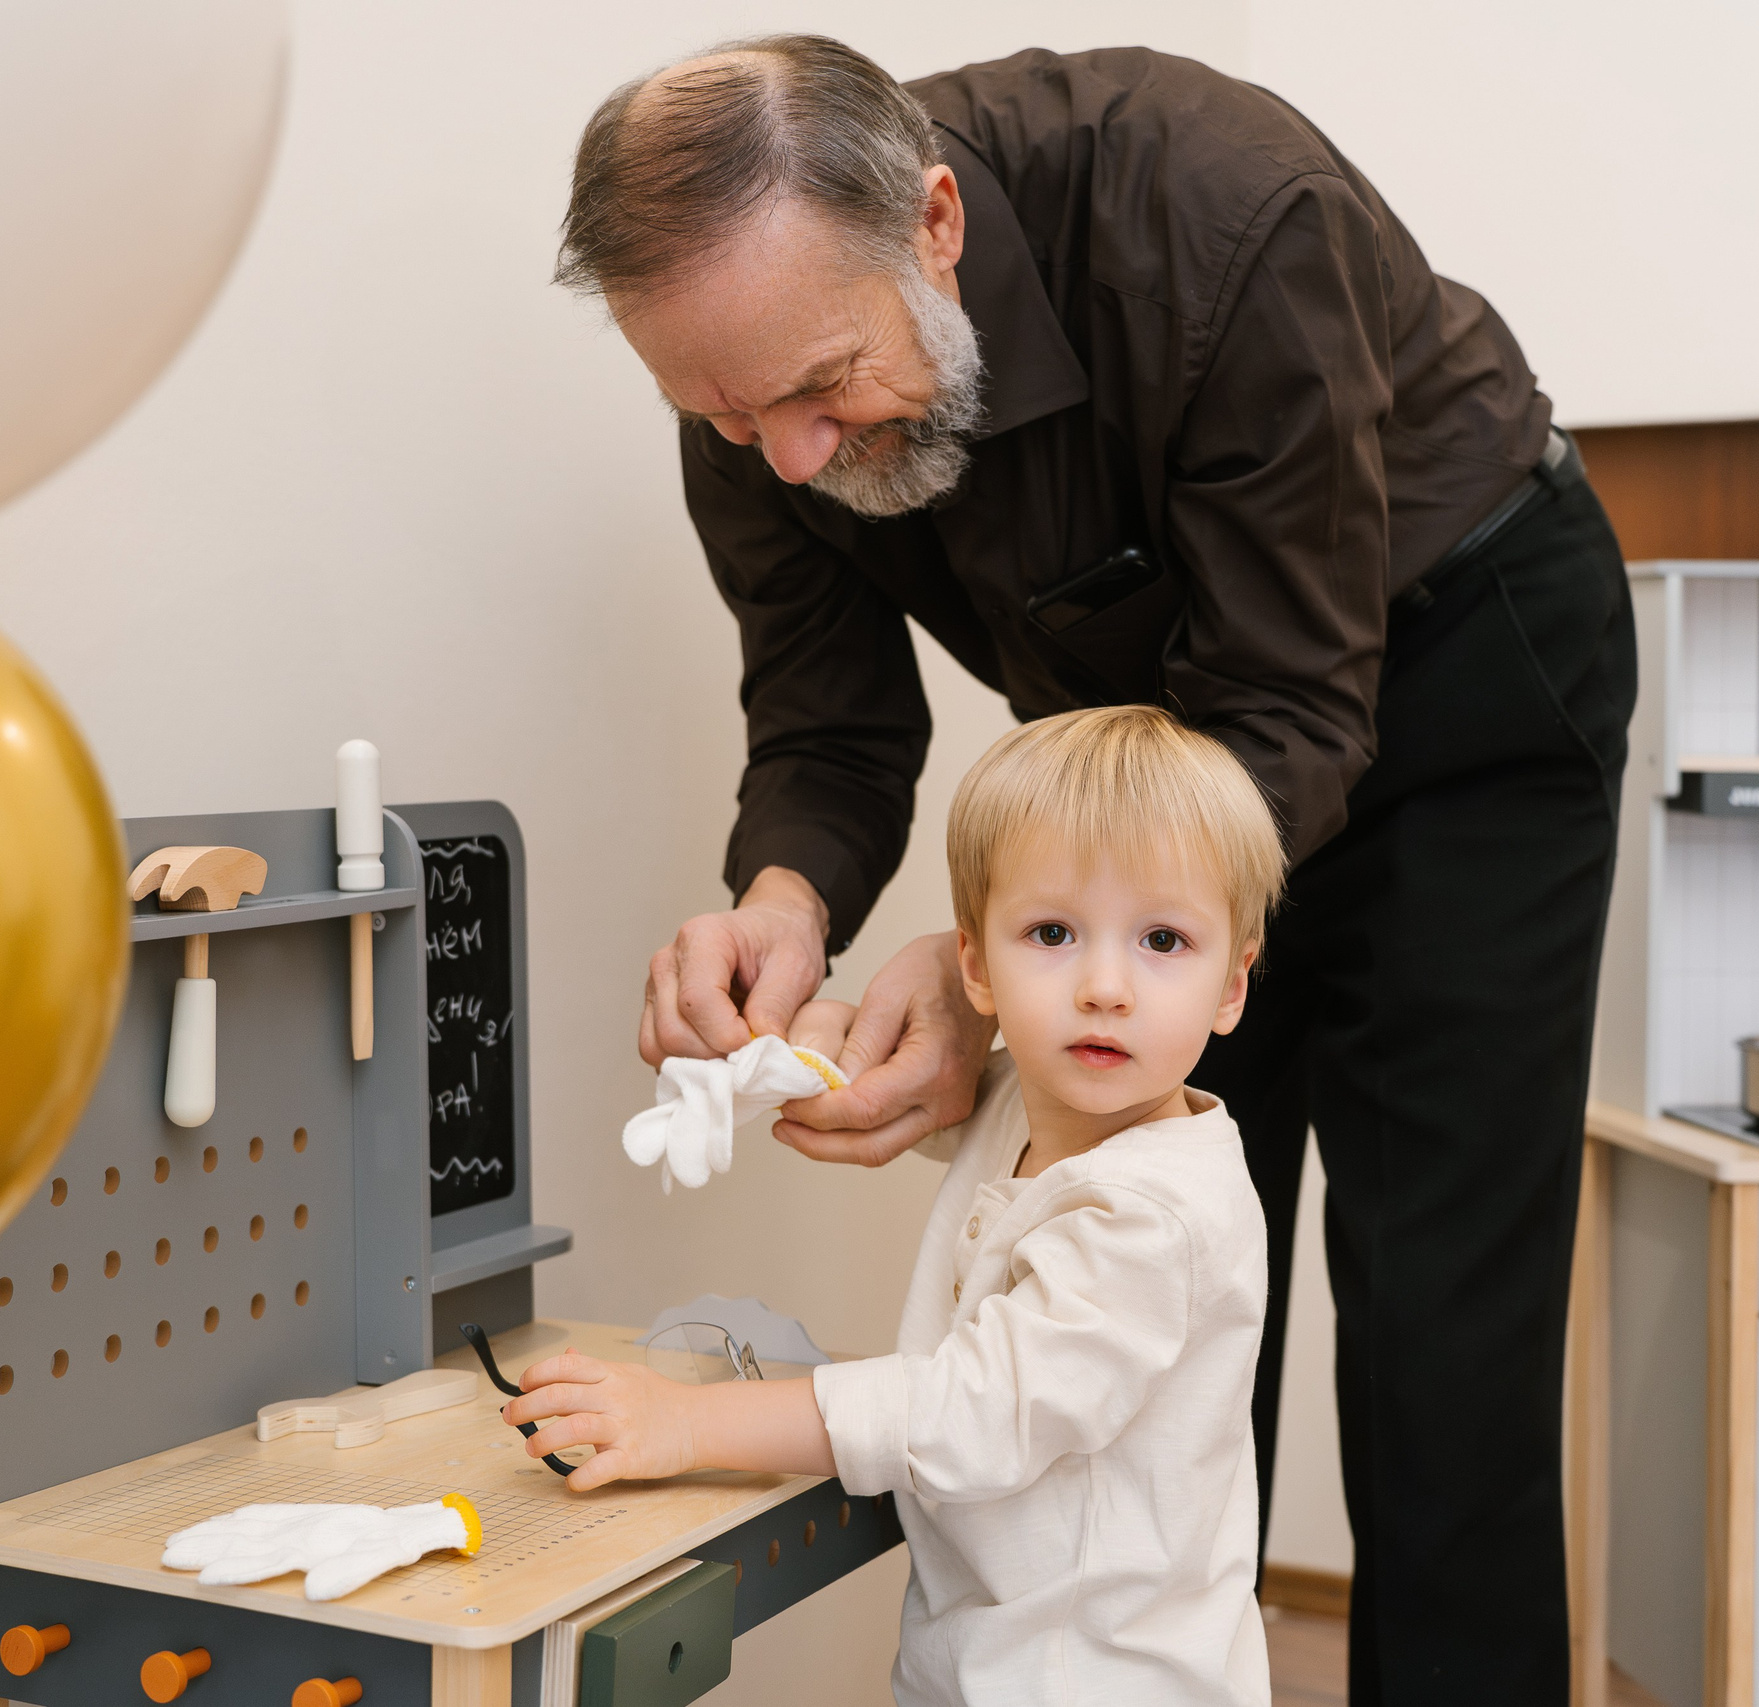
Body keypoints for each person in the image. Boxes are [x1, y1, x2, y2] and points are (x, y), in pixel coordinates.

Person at [560, 37, 1635, 1703]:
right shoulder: (759, 380)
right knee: (1153, 1329)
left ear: (932, 225)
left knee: (1442, 1341)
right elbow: (830, 728)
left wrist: (1030, 963)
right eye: (718, 410)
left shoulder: (1219, 210)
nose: (780, 452)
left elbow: (1288, 703)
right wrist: (784, 907)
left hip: (1451, 681)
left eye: (820, 386)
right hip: (1159, 780)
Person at [505, 706, 1283, 1705]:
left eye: (1163, 940)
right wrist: (776, 1061)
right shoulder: (1033, 1102)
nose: (1103, 986)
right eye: (1051, 933)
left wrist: (689, 1424)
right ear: (973, 967)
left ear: (1232, 987)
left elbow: (971, 1410)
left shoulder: (1154, 1216)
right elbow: (918, 1090)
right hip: (988, 1657)